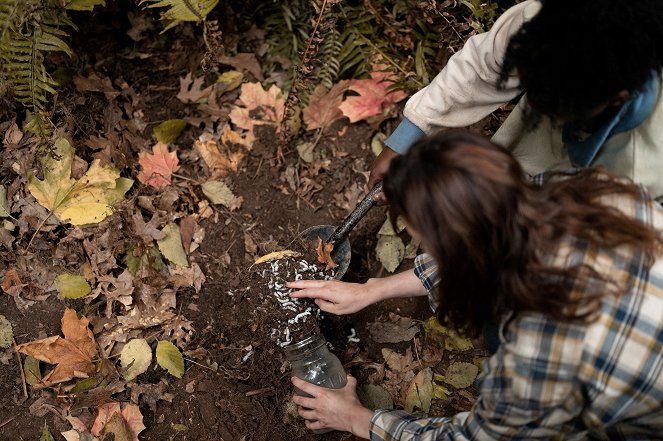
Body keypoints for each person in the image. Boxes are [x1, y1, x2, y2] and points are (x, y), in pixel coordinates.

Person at [286, 132, 663, 439]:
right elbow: (489, 238)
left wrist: (355, 417)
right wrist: (373, 289)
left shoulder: (534, 359)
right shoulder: (592, 190)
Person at [368, 0, 663, 200]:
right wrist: (405, 140)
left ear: (615, 100)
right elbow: (479, 69)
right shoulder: (545, 23)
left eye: (552, 106)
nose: (531, 104)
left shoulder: (643, 171)